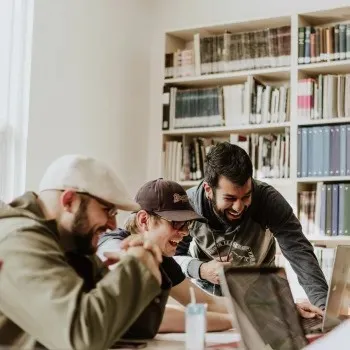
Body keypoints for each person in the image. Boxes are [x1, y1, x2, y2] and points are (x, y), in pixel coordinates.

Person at [0, 154, 164, 350]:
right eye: (108, 211)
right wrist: (137, 267)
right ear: (69, 201)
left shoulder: (70, 244)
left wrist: (145, 262)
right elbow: (82, 338)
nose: (113, 225)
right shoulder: (20, 239)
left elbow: (136, 330)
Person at [174, 142, 328, 316]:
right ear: (209, 190)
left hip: (261, 299)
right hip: (209, 302)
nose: (238, 207)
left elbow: (299, 252)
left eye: (246, 196)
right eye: (230, 198)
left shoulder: (269, 201)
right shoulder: (188, 204)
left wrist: (323, 307)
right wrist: (201, 270)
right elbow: (173, 259)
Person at [97, 178, 233, 335]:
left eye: (187, 224)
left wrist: (256, 310)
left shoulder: (160, 257)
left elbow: (207, 302)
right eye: (176, 223)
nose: (185, 232)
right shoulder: (112, 243)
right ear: (144, 220)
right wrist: (233, 321)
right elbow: (151, 316)